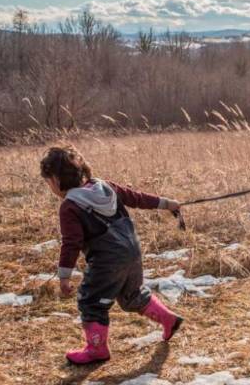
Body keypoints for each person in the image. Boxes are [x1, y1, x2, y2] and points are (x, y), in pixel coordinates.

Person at [40, 145, 184, 364]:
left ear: (57, 180)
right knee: (131, 295)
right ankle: (168, 319)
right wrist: (167, 203)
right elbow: (137, 197)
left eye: (48, 181)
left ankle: (96, 349)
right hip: (132, 250)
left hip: (106, 260)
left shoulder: (70, 206)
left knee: (91, 302)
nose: (49, 186)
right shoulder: (105, 186)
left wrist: (64, 275)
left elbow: (72, 243)